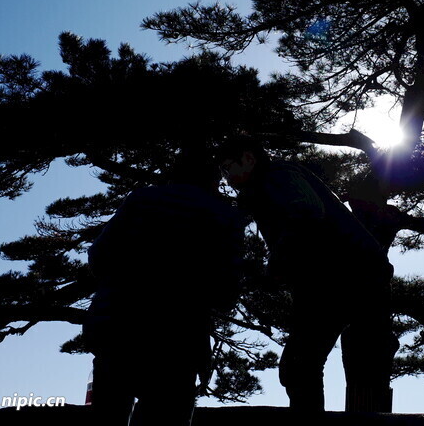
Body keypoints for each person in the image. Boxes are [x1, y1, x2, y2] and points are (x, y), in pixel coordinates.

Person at [217, 136, 397, 412]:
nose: (226, 177)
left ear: (249, 159)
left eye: (228, 167)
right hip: (356, 274)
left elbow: (306, 211)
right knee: (356, 364)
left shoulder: (277, 175)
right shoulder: (267, 185)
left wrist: (276, 265)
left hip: (340, 277)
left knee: (301, 364)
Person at [83, 150, 246, 426]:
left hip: (117, 322)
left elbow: (99, 255)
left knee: (108, 416)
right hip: (179, 333)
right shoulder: (225, 215)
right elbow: (226, 289)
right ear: (212, 182)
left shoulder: (140, 199)